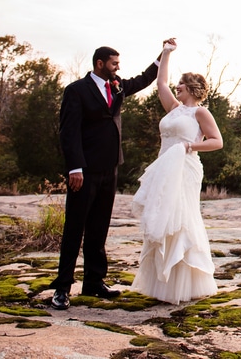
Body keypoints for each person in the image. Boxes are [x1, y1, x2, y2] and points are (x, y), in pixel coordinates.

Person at [50, 42, 169, 310]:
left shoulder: (116, 86)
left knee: (99, 228)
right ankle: (62, 288)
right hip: (84, 171)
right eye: (114, 64)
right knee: (74, 229)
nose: (118, 68)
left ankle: (93, 283)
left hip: (110, 168)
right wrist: (75, 167)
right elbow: (68, 132)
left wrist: (162, 57)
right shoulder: (76, 91)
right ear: (100, 64)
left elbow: (142, 80)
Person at [130, 39, 222, 304]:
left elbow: (217, 141)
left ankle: (187, 283)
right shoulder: (173, 108)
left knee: (181, 217)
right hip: (164, 167)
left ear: (191, 88)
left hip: (186, 168)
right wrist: (166, 53)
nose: (176, 87)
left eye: (181, 85)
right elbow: (160, 83)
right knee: (162, 217)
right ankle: (161, 283)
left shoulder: (200, 113)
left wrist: (189, 145)